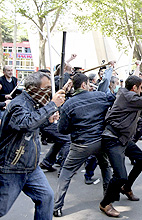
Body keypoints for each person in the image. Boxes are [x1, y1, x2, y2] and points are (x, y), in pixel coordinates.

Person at [0, 71, 66, 219]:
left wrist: (47, 120)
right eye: (47, 88)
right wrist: (52, 105)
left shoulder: (34, 103)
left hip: (31, 166)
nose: (50, 92)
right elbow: (26, 124)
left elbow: (34, 123)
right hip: (12, 166)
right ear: (34, 88)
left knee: (46, 198)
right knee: (1, 207)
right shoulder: (19, 104)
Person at [53, 71, 115, 217]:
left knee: (66, 172)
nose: (91, 85)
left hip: (80, 144)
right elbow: (115, 99)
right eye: (89, 83)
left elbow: (62, 129)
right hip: (100, 140)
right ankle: (108, 202)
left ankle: (57, 207)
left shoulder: (68, 104)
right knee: (106, 167)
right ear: (84, 84)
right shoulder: (100, 96)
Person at [99, 75, 142, 217]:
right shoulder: (128, 97)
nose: (140, 91)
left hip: (124, 139)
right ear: (134, 88)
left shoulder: (128, 94)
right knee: (120, 176)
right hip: (113, 139)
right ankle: (105, 204)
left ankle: (126, 188)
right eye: (139, 88)